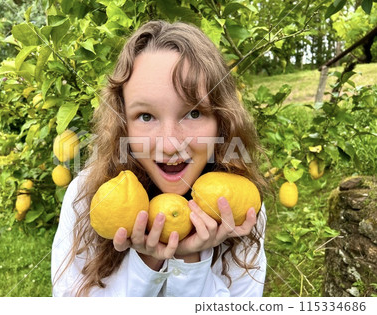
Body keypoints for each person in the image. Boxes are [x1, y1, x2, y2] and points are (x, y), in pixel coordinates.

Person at [51, 20, 268, 297]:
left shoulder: (240, 209)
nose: (170, 145)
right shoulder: (87, 197)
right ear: (123, 124)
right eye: (146, 116)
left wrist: (190, 259)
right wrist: (147, 261)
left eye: (193, 113)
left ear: (222, 120)